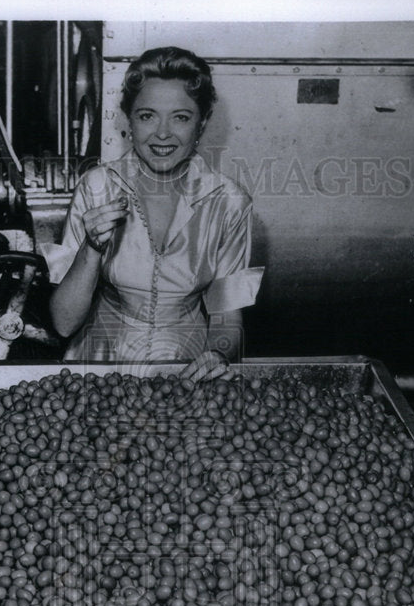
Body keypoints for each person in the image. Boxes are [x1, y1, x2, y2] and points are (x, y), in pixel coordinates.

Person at [43, 47, 264, 380]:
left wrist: (218, 354)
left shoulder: (231, 202)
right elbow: (63, 323)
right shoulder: (96, 187)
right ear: (129, 120)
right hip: (99, 368)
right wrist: (91, 248)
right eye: (147, 115)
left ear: (201, 123)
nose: (162, 133)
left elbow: (227, 317)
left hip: (185, 370)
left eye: (181, 117)